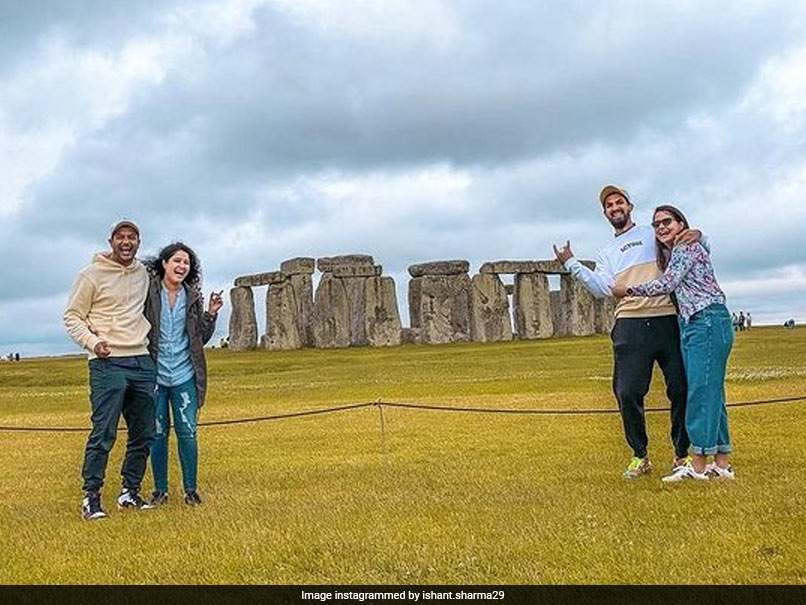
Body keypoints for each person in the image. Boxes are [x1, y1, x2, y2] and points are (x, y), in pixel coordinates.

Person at [554, 185, 706, 478]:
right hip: (630, 322)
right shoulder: (607, 252)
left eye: (619, 202)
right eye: (609, 205)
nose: (615, 208)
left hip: (667, 318)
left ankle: (681, 454)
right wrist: (572, 263)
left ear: (629, 206)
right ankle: (640, 456)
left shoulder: (653, 233)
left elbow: (688, 240)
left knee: (681, 388)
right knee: (627, 391)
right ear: (605, 213)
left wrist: (700, 234)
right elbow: (602, 289)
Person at [612, 205, 734, 482]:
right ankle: (722, 463)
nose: (661, 227)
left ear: (682, 224)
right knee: (713, 392)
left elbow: (667, 283)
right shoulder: (683, 248)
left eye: (667, 221)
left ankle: (699, 465)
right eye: (656, 224)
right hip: (696, 322)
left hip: (706, 320)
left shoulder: (685, 248)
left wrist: (629, 290)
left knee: (701, 392)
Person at [64, 220, 156, 520]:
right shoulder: (90, 275)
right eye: (121, 237)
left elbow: (172, 273)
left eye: (132, 238)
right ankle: (91, 498)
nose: (126, 242)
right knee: (104, 432)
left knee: (144, 432)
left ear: (138, 243)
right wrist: (93, 343)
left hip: (141, 360)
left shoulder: (143, 272)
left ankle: (130, 492)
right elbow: (73, 317)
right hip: (106, 361)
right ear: (111, 241)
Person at [144, 242, 223, 506]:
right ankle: (160, 491)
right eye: (177, 261)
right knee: (157, 432)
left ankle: (191, 490)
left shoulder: (193, 296)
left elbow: (199, 337)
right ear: (164, 263)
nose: (182, 266)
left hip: (184, 374)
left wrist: (211, 314)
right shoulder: (149, 291)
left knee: (187, 431)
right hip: (155, 373)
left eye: (186, 263)